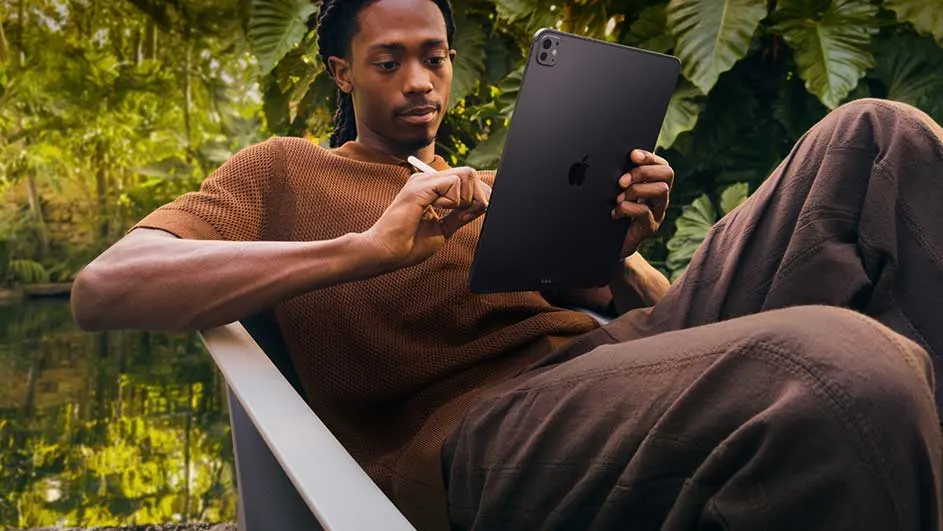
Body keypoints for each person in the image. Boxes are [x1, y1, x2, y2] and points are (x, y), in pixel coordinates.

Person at [71, 0, 943, 529]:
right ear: (343, 73)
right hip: (476, 432)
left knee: (878, 138)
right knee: (843, 370)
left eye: (435, 56)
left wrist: (618, 253)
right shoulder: (283, 171)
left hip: (607, 366)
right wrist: (365, 248)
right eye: (390, 60)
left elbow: (619, 311)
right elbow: (104, 287)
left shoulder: (494, 182)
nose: (420, 80)